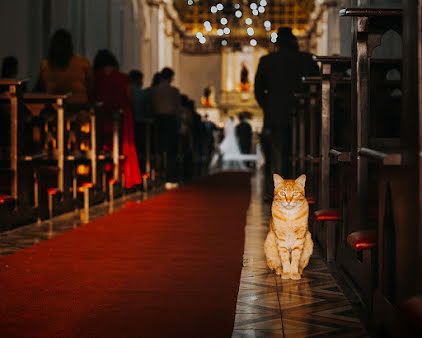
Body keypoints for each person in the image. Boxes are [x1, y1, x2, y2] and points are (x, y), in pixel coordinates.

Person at [254, 27, 318, 192]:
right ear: (293, 41)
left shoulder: (267, 61)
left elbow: (258, 90)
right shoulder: (306, 59)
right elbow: (316, 85)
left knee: (275, 155)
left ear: (277, 43)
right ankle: (305, 188)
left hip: (275, 115)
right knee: (303, 151)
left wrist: (268, 107)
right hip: (304, 113)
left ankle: (273, 189)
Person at [93, 49, 141, 189]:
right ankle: (126, 177)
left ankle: (104, 176)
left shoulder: (96, 76)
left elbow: (93, 95)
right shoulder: (123, 77)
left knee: (102, 145)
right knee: (125, 146)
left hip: (101, 115)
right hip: (122, 115)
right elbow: (129, 97)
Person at [36, 29, 93, 106]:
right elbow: (91, 87)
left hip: (53, 108)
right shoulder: (82, 62)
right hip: (78, 107)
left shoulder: (45, 65)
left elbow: (42, 88)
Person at [151, 67, 181, 189]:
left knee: (157, 149)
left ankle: (157, 176)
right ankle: (170, 178)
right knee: (171, 152)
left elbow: (151, 106)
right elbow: (177, 108)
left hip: (157, 121)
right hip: (170, 121)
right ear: (171, 78)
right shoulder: (173, 91)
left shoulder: (154, 90)